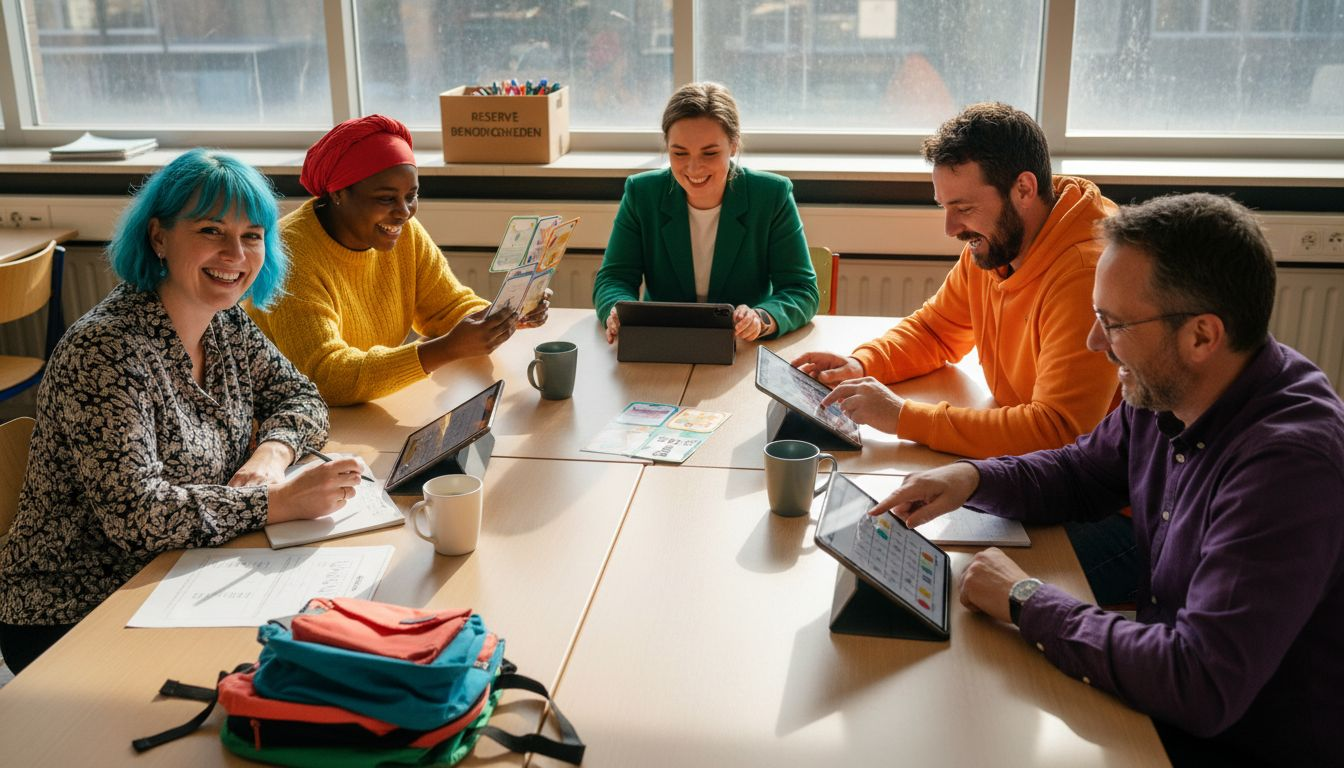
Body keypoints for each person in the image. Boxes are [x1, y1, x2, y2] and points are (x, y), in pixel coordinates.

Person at [873, 194, 1344, 765]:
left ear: (1201, 336)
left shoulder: (1289, 466)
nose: (1096, 344)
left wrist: (1025, 598)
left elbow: (1199, 681)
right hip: (1158, 708)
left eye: (1114, 324)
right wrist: (971, 477)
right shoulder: (1170, 385)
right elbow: (1082, 472)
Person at [0, 150, 359, 674]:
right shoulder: (105, 350)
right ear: (159, 237)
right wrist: (274, 505)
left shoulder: (225, 322)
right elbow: (136, 516)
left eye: (253, 235)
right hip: (77, 607)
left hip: (186, 567)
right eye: (212, 230)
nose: (235, 253)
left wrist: (273, 455)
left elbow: (299, 395)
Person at [792, 102, 1132, 605]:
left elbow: (1058, 431)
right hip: (1039, 472)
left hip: (1112, 511)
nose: (951, 229)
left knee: (958, 596)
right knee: (918, 556)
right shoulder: (998, 240)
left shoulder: (1085, 270)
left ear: (1023, 188)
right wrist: (863, 363)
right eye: (944, 207)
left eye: (964, 208)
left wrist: (904, 416)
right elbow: (937, 330)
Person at [248, 115, 548, 406]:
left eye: (411, 195)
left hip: (365, 409)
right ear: (339, 193)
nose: (404, 212)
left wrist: (503, 315)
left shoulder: (402, 232)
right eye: (386, 199)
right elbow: (328, 376)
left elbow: (446, 308)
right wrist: (445, 349)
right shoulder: (291, 254)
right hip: (293, 418)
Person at [593, 81, 818, 343]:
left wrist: (762, 317)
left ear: (733, 145)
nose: (694, 168)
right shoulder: (641, 193)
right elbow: (614, 278)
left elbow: (801, 289)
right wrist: (617, 310)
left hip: (740, 346)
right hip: (662, 342)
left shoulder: (771, 194)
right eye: (679, 153)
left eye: (709, 153)